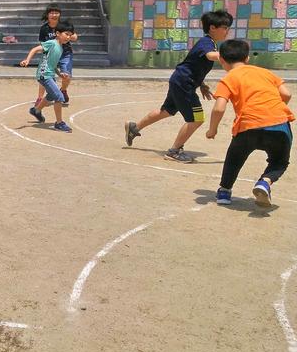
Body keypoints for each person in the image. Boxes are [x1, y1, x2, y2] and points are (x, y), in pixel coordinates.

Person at [125, 10, 234, 163]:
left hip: (180, 80)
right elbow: (209, 56)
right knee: (197, 119)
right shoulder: (207, 43)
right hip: (184, 83)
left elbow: (194, 64)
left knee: (167, 111)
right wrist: (232, 55)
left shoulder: (210, 43)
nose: (227, 31)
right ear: (212, 28)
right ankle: (174, 151)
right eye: (225, 27)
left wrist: (202, 85)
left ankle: (134, 127)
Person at [205, 39, 292, 207]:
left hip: (247, 126)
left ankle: (224, 191)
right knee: (279, 162)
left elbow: (219, 108)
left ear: (221, 60)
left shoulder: (228, 79)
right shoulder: (265, 72)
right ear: (247, 58)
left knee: (234, 158)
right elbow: (286, 94)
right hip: (279, 124)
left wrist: (212, 130)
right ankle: (265, 182)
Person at [20, 21, 75, 132]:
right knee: (59, 97)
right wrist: (27, 60)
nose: (68, 37)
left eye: (70, 35)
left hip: (49, 74)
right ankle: (59, 123)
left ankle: (36, 110)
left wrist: (60, 74)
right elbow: (35, 49)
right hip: (44, 75)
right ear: (58, 33)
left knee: (51, 95)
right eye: (66, 34)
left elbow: (52, 65)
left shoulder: (60, 48)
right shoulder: (52, 43)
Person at [38, 4, 78, 105]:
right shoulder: (44, 29)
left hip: (65, 53)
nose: (54, 15)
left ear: (59, 14)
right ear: (47, 15)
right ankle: (39, 98)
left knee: (67, 75)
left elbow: (75, 36)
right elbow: (42, 45)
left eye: (56, 13)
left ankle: (63, 90)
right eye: (52, 13)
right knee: (45, 76)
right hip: (51, 55)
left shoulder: (63, 25)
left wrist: (69, 36)